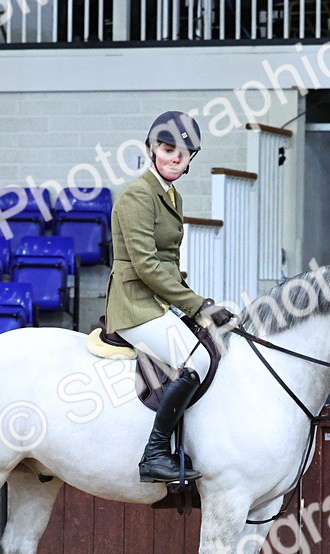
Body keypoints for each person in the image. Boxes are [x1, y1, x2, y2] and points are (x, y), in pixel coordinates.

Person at [105, 111, 235, 484]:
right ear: (151, 150)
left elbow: (169, 264)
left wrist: (192, 304)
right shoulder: (136, 195)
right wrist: (197, 304)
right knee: (196, 361)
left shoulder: (171, 195)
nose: (176, 158)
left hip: (157, 302)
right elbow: (147, 266)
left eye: (185, 152)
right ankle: (154, 454)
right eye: (168, 149)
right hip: (133, 304)